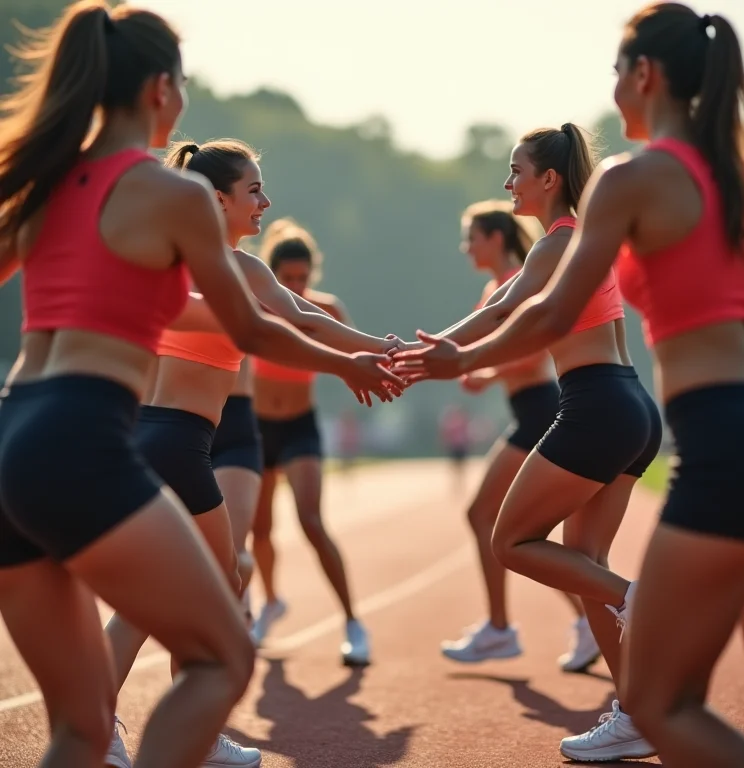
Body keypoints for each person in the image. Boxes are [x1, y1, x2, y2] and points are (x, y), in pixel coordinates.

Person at [0, 3, 403, 766]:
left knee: (78, 730)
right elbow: (252, 330)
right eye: (181, 84)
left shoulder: (46, 181)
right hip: (82, 433)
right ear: (160, 89)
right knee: (223, 654)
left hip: (13, 430)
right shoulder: (175, 196)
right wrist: (348, 363)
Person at [106, 140, 406, 766]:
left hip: (167, 438)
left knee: (199, 586)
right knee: (208, 588)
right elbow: (294, 326)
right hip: (175, 440)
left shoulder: (226, 266)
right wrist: (361, 358)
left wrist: (379, 347)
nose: (266, 202)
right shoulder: (220, 271)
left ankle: (144, 725)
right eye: (254, 191)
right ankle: (125, 725)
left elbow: (307, 316)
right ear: (217, 200)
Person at [394, 122, 662, 761]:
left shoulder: (560, 241)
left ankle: (639, 599)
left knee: (510, 541)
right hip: (630, 407)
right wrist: (447, 356)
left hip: (597, 406)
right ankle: (637, 714)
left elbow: (506, 311)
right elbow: (512, 313)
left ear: (549, 179)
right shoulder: (578, 240)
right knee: (585, 563)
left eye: (516, 170)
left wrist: (441, 355)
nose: (508, 182)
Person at [440, 200, 599, 673]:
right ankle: (521, 624)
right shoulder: (497, 286)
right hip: (528, 411)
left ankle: (506, 627)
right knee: (500, 522)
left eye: (471, 237)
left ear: (495, 238)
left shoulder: (520, 280)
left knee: (493, 519)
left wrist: (485, 374)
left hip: (541, 410)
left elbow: (534, 351)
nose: (466, 247)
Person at [248, 219, 376, 666]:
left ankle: (353, 622)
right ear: (273, 275)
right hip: (255, 426)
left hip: (299, 426)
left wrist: (388, 359)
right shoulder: (253, 308)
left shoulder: (326, 310)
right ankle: (270, 603)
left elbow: (357, 350)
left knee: (311, 521)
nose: (298, 288)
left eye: (304, 278)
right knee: (258, 530)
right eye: (288, 280)